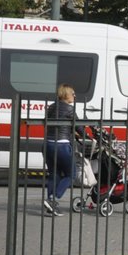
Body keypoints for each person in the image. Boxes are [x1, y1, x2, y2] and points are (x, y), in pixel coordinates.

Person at [42, 84, 81, 215]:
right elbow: (79, 127)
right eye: (73, 93)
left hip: (47, 145)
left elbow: (49, 122)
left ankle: (50, 205)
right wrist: (87, 136)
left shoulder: (51, 107)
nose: (75, 96)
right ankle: (54, 198)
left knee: (54, 174)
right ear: (66, 94)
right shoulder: (70, 109)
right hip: (62, 145)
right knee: (71, 174)